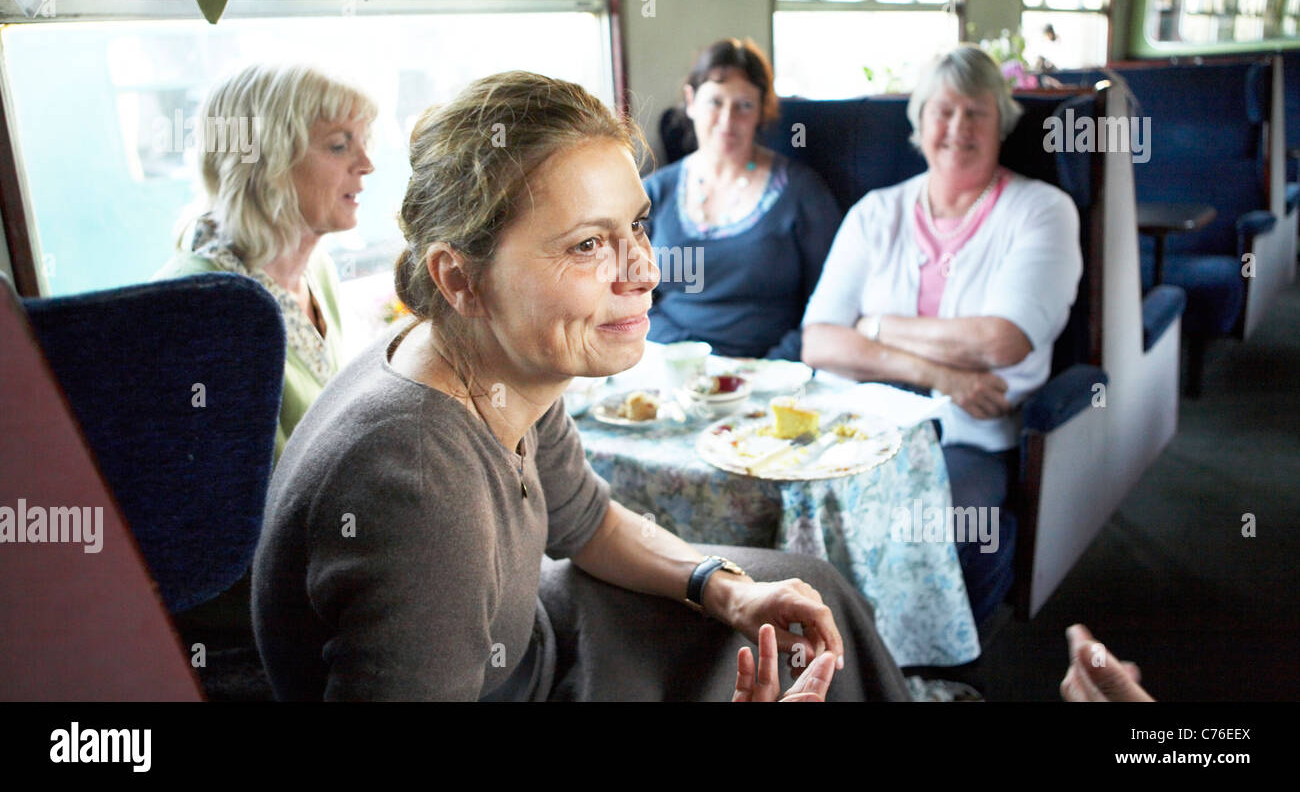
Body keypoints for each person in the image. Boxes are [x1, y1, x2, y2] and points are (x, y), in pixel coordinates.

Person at [251, 70, 911, 702]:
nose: (645, 270)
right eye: (588, 245)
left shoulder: (495, 361)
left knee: (802, 595)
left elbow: (587, 521)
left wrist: (723, 588)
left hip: (537, 639)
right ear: (460, 279)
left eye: (637, 226)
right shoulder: (420, 494)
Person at [801, 44, 1083, 627]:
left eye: (976, 112)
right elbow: (819, 343)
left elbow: (1001, 342)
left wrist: (872, 328)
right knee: (799, 517)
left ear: (1001, 121)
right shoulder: (875, 213)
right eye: (942, 111)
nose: (958, 128)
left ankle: (937, 673)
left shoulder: (1041, 210)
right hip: (860, 419)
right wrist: (942, 375)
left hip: (970, 434)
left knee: (940, 532)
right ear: (920, 123)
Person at [156, 63, 377, 460]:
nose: (366, 164)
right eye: (339, 145)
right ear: (266, 160)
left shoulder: (316, 268)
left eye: (364, 142)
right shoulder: (197, 306)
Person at [642, 38, 841, 361]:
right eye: (715, 102)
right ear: (691, 102)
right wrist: (695, 362)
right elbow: (624, 296)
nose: (727, 120)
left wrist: (769, 367)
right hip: (671, 368)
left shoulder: (802, 193)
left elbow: (830, 302)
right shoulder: (653, 193)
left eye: (744, 105)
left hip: (768, 375)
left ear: (762, 110)